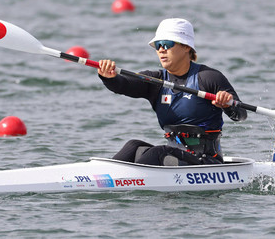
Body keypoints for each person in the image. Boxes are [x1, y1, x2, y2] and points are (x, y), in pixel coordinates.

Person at [98, 18, 247, 166]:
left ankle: (127, 180)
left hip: (206, 161)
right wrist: (109, 77)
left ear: (186, 47)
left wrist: (227, 105)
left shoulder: (209, 77)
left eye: (167, 44)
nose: (161, 49)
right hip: (173, 158)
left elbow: (241, 115)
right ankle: (102, 175)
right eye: (158, 45)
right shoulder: (155, 81)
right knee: (134, 146)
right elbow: (123, 84)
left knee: (158, 153)